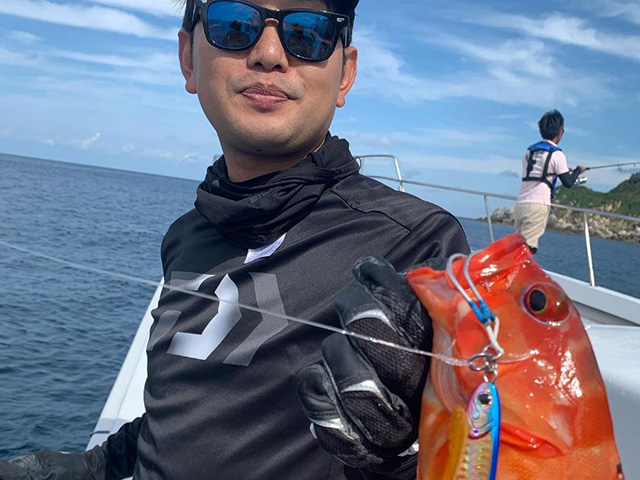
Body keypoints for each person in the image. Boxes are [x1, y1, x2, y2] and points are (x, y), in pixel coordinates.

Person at [0, 1, 469, 479]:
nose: (269, 54)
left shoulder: (416, 245)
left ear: (345, 73)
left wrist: (401, 456)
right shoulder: (187, 235)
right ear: (188, 58)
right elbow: (193, 413)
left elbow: (472, 448)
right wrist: (97, 463)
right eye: (234, 24)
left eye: (307, 33)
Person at [514, 109, 586, 253]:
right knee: (527, 250)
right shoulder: (557, 154)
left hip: (521, 203)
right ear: (560, 132)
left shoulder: (529, 152)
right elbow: (568, 182)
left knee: (517, 246)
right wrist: (578, 170)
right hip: (538, 205)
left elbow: (539, 171)